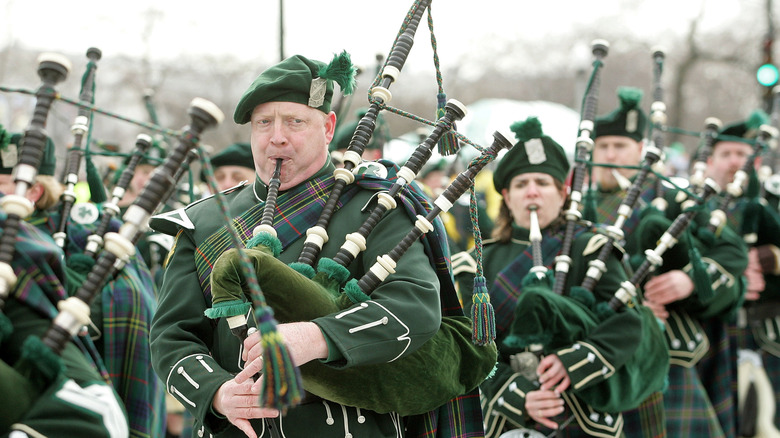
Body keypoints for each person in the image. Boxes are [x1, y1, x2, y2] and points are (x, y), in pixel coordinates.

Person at [149, 52, 487, 438]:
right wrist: (218, 393)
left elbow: (414, 306)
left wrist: (317, 337)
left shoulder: (376, 206)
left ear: (327, 128)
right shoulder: (203, 221)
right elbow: (171, 335)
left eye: (294, 121)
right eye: (264, 123)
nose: (277, 136)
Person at [455, 116, 667, 438]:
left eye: (542, 183)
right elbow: (473, 346)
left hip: (585, 411)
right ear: (507, 198)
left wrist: (574, 361)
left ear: (562, 193)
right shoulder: (476, 264)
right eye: (521, 185)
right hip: (507, 418)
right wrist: (518, 394)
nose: (532, 193)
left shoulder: (590, 248)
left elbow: (628, 322)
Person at [589, 87, 748, 437]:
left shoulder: (672, 199)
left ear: (640, 151)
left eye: (620, 147)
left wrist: (688, 280)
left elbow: (732, 256)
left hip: (671, 356)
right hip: (598, 354)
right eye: (604, 147)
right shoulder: (578, 209)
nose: (611, 155)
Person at [0, 132, 166, 438]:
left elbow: (134, 300)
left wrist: (76, 283)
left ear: (34, 191)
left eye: (1, 185)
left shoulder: (79, 233)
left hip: (91, 373)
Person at [705, 110, 780, 434]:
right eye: (726, 154)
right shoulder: (695, 208)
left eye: (742, 154)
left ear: (758, 162)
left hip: (769, 333)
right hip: (713, 332)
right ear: (710, 162)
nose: (735, 162)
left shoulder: (773, 203)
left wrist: (773, 257)